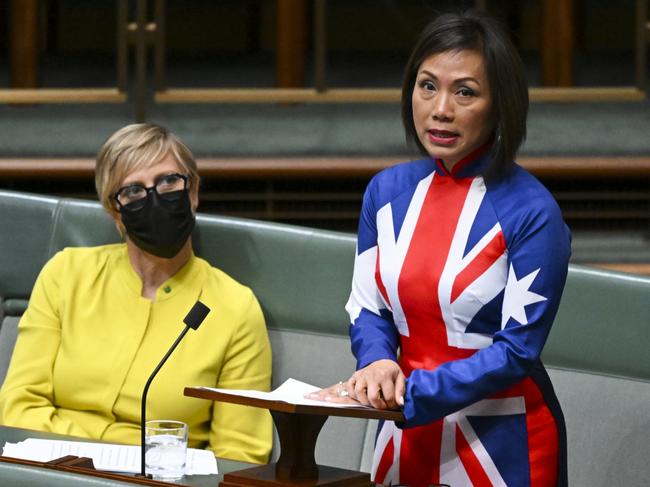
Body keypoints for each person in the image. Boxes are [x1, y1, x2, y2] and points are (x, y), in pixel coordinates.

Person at [309, 11, 570, 487]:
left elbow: (517, 351)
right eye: (427, 86)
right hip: (399, 427)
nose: (441, 108)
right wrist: (377, 362)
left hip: (502, 440)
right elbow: (368, 308)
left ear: (500, 104)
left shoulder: (534, 212)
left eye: (465, 91)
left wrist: (409, 392)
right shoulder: (385, 193)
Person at [0, 123, 273, 464]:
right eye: (133, 191)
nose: (154, 197)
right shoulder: (66, 274)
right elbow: (19, 405)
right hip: (51, 472)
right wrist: (95, 461)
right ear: (115, 211)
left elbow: (240, 454)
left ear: (194, 191)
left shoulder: (234, 307)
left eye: (169, 181)